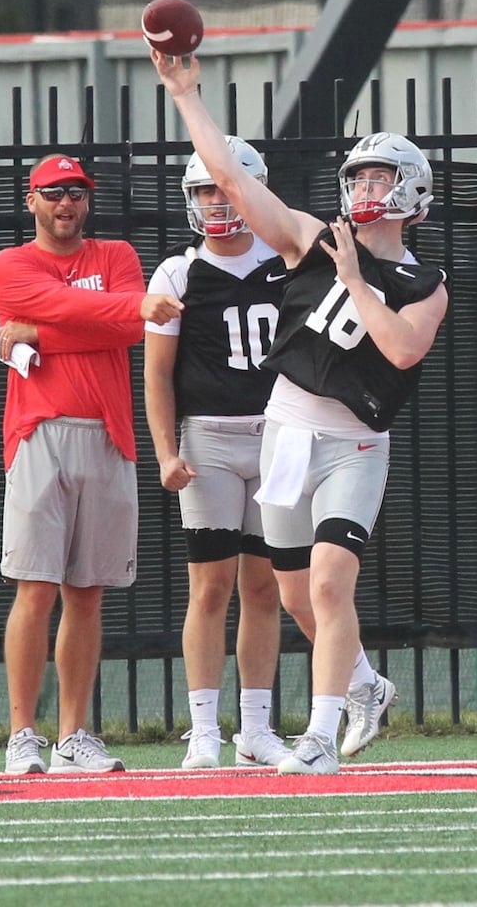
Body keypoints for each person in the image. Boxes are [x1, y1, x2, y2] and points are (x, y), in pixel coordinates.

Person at [151, 50, 449, 775]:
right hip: (286, 428)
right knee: (292, 596)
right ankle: (364, 685)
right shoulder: (310, 241)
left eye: (380, 176)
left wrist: (355, 279)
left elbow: (403, 351)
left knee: (327, 583)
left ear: (412, 191)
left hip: (352, 444)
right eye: (359, 177)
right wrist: (187, 97)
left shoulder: (424, 281)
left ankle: (317, 738)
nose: (366, 188)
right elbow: (230, 178)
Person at [0, 153, 184, 775]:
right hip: (39, 431)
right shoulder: (10, 264)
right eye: (53, 193)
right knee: (35, 587)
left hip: (106, 433)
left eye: (76, 192)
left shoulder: (117, 255)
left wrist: (36, 333)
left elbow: (123, 331)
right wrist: (120, 314)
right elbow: (117, 316)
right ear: (31, 199)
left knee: (88, 592)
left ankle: (73, 735)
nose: (66, 203)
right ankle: (23, 734)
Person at [145, 137, 311, 769]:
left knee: (265, 586)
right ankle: (205, 730)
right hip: (208, 440)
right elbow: (158, 376)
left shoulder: (290, 260)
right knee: (210, 587)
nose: (215, 201)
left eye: (225, 187)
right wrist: (166, 451)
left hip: (278, 434)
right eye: (205, 189)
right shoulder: (177, 273)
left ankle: (257, 729)